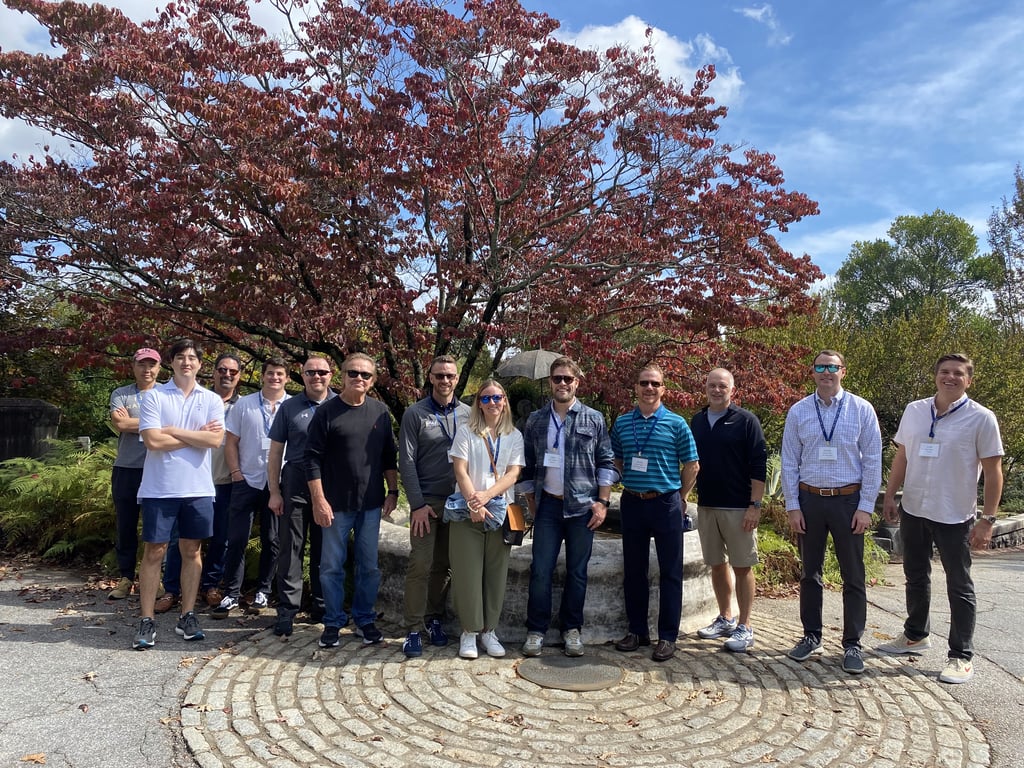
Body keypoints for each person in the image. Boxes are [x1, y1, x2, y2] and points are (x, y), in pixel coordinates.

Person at [880, 353, 1004, 684]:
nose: (950, 377)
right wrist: (891, 495)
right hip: (914, 508)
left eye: (958, 373)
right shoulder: (915, 410)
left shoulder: (981, 418)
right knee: (915, 576)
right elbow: (903, 455)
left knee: (959, 584)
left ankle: (961, 656)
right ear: (935, 376)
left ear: (968, 380)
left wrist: (988, 519)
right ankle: (915, 635)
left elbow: (993, 471)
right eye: (944, 372)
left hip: (954, 514)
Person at [781, 350, 882, 674]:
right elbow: (789, 461)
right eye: (821, 367)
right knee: (809, 573)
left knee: (853, 576)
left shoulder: (861, 409)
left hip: (848, 501)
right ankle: (811, 636)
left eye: (832, 367)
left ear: (843, 371)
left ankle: (852, 644)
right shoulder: (799, 411)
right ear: (812, 372)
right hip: (809, 500)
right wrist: (792, 505)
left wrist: (866, 507)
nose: (827, 372)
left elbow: (873, 461)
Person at [518, 356, 618, 658]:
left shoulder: (593, 419)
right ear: (550, 382)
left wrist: (603, 503)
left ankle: (572, 629)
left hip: (583, 508)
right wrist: (532, 503)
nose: (562, 383)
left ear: (577, 382)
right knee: (540, 570)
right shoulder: (536, 420)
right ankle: (536, 630)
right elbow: (527, 465)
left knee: (577, 572)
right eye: (557, 378)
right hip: (548, 505)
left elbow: (606, 462)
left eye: (568, 378)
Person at [133, 338, 224, 650]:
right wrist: (196, 436)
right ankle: (146, 619)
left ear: (200, 363)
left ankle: (187, 615)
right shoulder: (154, 396)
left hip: (198, 488)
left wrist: (171, 430)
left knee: (192, 551)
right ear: (171, 362)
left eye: (192, 357)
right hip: (159, 488)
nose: (187, 362)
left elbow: (215, 441)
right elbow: (153, 442)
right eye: (181, 357)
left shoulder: (211, 399)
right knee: (154, 552)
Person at [306, 353, 398, 648]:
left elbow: (389, 456)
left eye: (365, 375)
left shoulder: (380, 412)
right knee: (331, 567)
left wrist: (393, 491)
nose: (359, 378)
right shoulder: (327, 412)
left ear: (373, 380)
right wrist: (319, 500)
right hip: (335, 504)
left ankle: (364, 619)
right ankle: (333, 621)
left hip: (370, 504)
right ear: (342, 376)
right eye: (353, 373)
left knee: (369, 566)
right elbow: (311, 459)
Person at [610, 364, 700, 662]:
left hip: (665, 503)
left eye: (655, 383)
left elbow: (692, 465)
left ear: (663, 389)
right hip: (633, 502)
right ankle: (637, 631)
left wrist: (681, 497)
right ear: (635, 387)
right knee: (634, 570)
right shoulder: (622, 423)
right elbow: (617, 460)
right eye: (644, 383)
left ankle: (667, 636)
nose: (649, 388)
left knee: (670, 571)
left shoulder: (676, 423)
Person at [397, 355, 470, 657]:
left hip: (458, 503)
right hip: (426, 504)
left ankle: (433, 619)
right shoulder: (415, 413)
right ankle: (413, 629)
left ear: (457, 379)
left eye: (450, 376)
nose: (445, 381)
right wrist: (416, 504)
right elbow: (406, 461)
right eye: (439, 375)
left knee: (444, 566)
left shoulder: (468, 413)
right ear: (430, 378)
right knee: (420, 565)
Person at [446, 379, 525, 660]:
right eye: (486, 398)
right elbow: (460, 470)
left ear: (505, 401)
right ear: (479, 403)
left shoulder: (514, 435)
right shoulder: (466, 432)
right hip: (467, 512)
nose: (493, 403)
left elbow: (513, 474)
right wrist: (473, 502)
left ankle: (489, 631)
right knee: (466, 574)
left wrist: (486, 497)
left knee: (496, 575)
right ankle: (469, 631)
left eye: (497, 397)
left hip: (499, 513)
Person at [691, 368, 767, 653]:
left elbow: (759, 465)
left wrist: (755, 506)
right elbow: (691, 462)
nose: (716, 390)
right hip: (707, 505)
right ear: (705, 388)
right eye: (712, 385)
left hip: (738, 507)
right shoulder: (698, 420)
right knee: (716, 564)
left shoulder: (746, 421)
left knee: (742, 565)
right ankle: (725, 618)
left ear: (732, 390)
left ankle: (745, 626)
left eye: (722, 386)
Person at [212, 357, 290, 618]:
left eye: (280, 374)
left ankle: (263, 591)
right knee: (236, 539)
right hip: (247, 481)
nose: (274, 378)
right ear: (263, 376)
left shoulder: (292, 406)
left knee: (272, 539)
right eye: (270, 373)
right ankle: (231, 593)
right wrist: (236, 473)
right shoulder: (244, 404)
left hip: (278, 484)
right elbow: (231, 442)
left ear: (287, 378)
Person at [267, 356, 336, 637]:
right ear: (302, 375)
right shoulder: (289, 407)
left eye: (322, 372)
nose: (316, 376)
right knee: (291, 547)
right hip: (295, 479)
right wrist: (274, 491)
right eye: (311, 372)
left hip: (330, 482)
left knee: (326, 547)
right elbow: (275, 453)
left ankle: (322, 605)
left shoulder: (341, 405)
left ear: (331, 375)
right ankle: (287, 610)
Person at [108, 347, 162, 601]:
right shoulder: (122, 394)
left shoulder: (166, 394)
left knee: (156, 527)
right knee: (126, 525)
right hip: (126, 468)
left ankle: (154, 579)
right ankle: (126, 577)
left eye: (152, 365)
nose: (147, 369)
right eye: (142, 364)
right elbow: (120, 423)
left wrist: (134, 423)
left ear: (159, 368)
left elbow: (173, 424)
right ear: (133, 366)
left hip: (158, 469)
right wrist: (156, 424)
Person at [199, 353, 242, 607]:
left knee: (221, 539)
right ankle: (174, 588)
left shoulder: (244, 406)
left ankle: (211, 586)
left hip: (226, 482)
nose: (227, 374)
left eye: (232, 371)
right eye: (222, 370)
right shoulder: (198, 400)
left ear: (239, 376)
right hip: (194, 481)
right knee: (183, 538)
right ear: (213, 372)